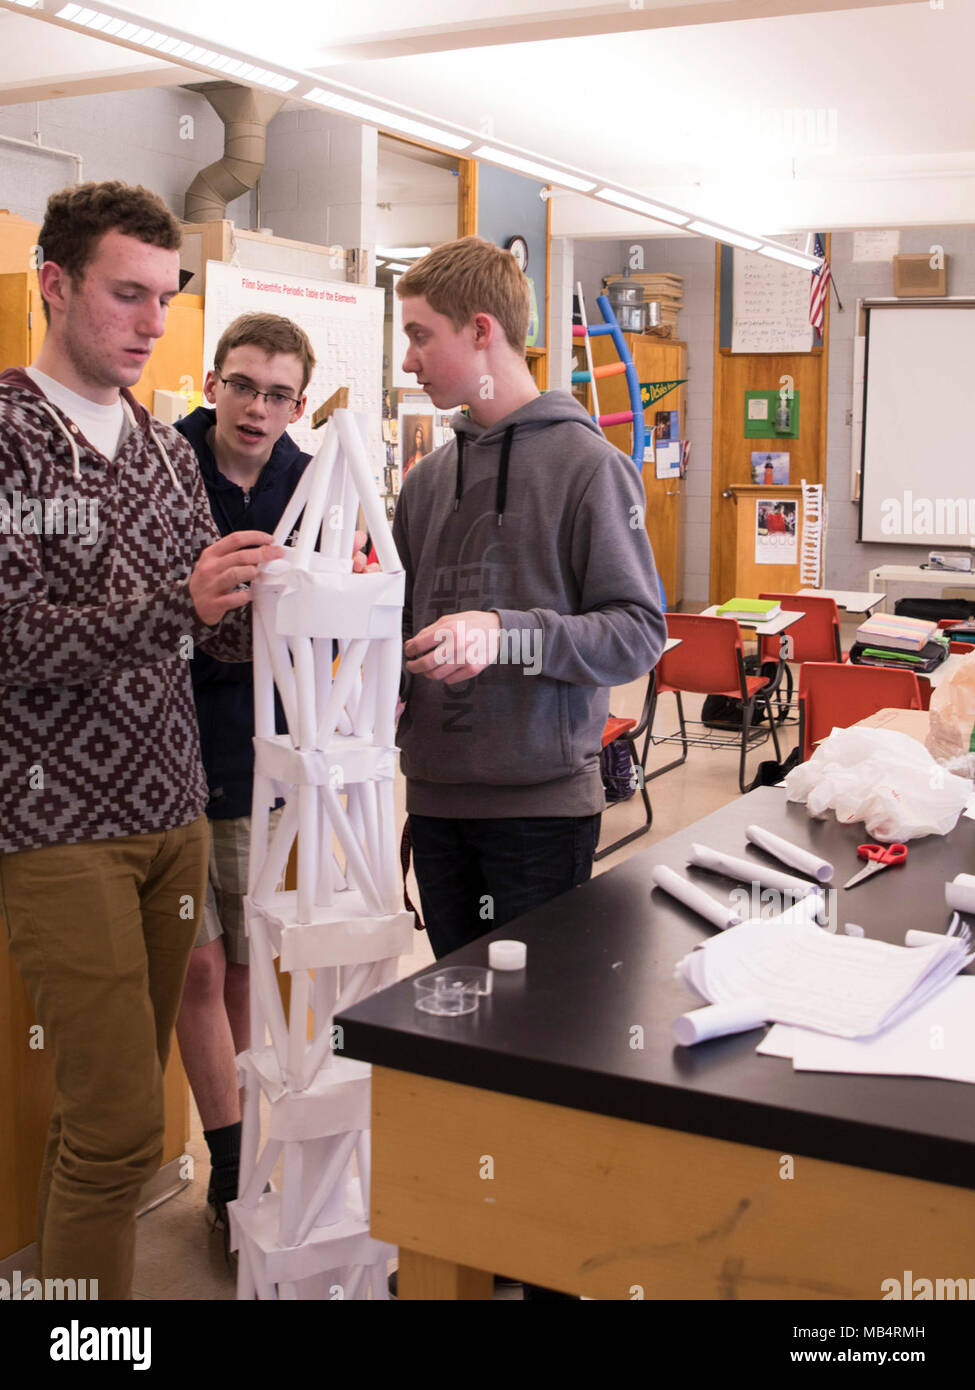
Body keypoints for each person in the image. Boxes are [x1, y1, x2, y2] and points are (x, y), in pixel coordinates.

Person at [0, 181, 282, 1300]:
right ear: (54, 285)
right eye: (127, 294)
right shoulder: (11, 436)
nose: (151, 322)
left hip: (174, 812)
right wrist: (182, 604)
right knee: (118, 1128)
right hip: (58, 826)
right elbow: (13, 635)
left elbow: (201, 640)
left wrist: (276, 609)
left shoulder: (168, 452)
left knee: (106, 1119)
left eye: (165, 298)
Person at [393, 235, 667, 962]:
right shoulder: (425, 482)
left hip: (539, 816)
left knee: (535, 1039)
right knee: (456, 1026)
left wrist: (504, 632)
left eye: (420, 336)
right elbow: (400, 626)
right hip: (434, 802)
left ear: (480, 330)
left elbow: (637, 633)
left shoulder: (590, 470)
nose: (407, 360)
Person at [172, 312, 315, 1243]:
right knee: (195, 964)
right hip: (167, 758)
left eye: (277, 394)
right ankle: (227, 1163)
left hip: (261, 757)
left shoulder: (309, 484)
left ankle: (251, 1157)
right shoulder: (165, 463)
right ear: (213, 382)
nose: (257, 409)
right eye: (241, 386)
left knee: (243, 970)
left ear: (297, 403)